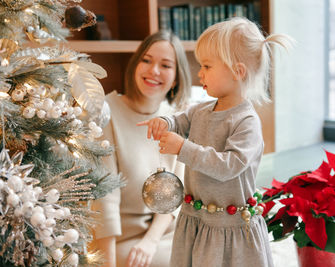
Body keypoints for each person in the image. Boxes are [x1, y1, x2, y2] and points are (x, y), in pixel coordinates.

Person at [138, 17, 291, 267]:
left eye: (207, 66)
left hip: (228, 225)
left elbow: (228, 166)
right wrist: (165, 122)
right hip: (196, 217)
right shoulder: (201, 110)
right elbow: (180, 120)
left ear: (237, 71)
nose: (200, 73)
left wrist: (182, 148)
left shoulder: (246, 122)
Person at [92, 30, 192, 267]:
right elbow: (104, 197)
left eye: (165, 65)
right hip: (118, 236)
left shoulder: (177, 120)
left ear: (176, 78)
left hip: (162, 232)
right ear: (135, 65)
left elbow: (175, 197)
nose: (153, 71)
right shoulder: (106, 111)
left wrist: (151, 241)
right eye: (146, 60)